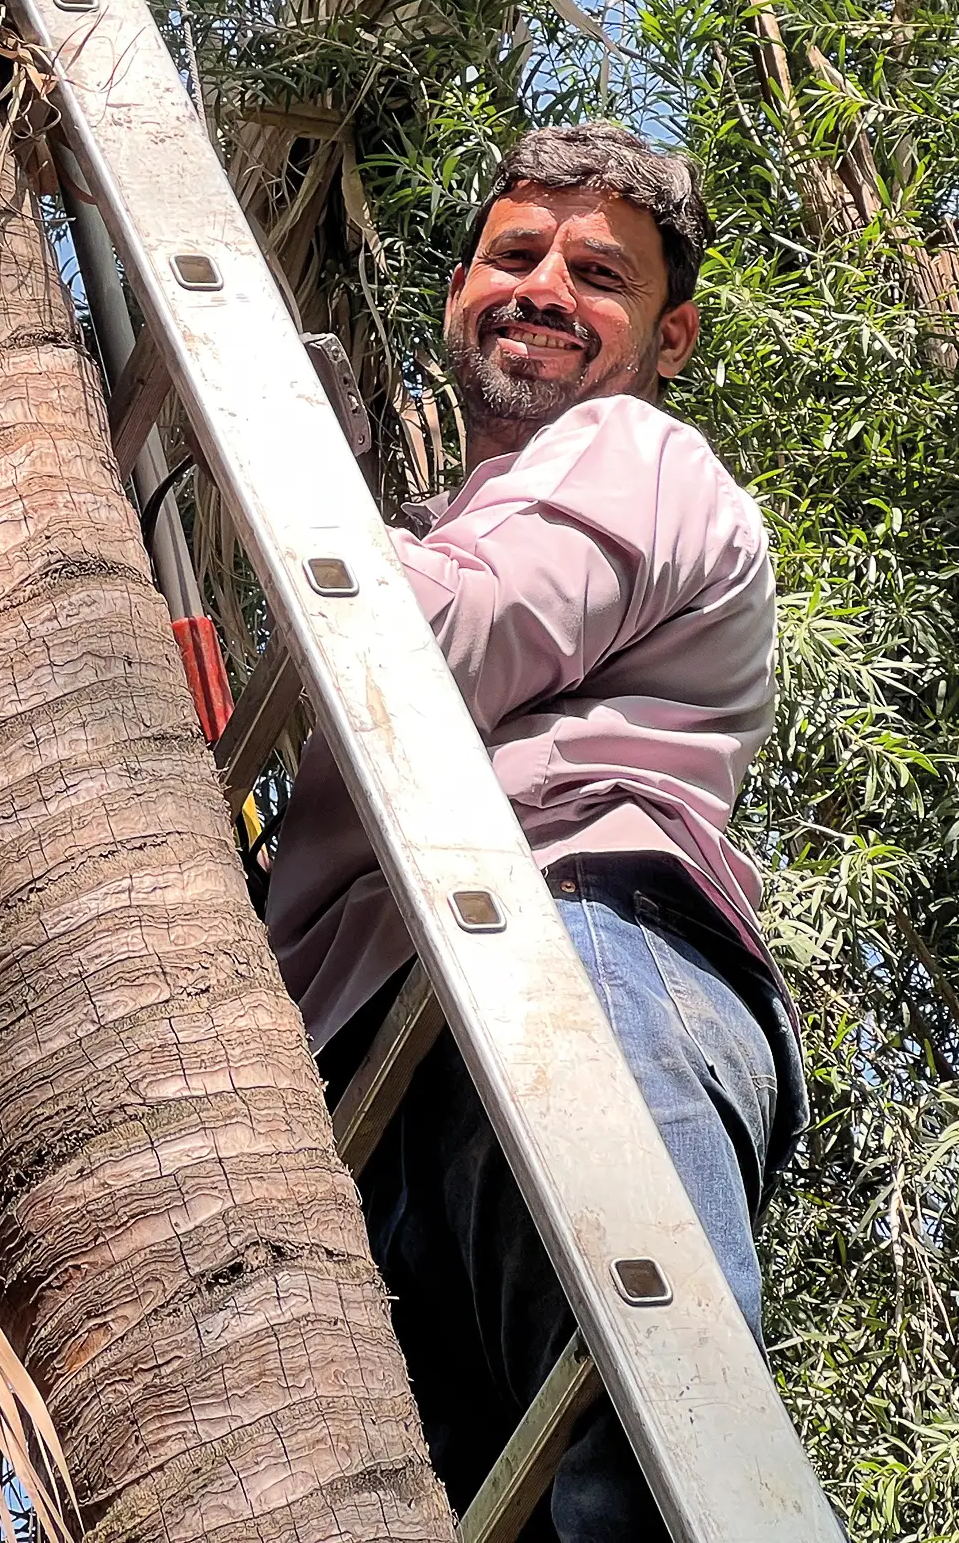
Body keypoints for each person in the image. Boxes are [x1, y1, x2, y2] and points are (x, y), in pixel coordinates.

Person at [263, 124, 805, 1540]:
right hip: (394, 1053)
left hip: (567, 955)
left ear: (668, 337)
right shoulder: (459, 523)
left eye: (599, 276)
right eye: (515, 255)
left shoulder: (633, 453)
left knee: (642, 1471)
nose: (545, 288)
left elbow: (446, 642)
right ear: (459, 290)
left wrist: (285, 474)